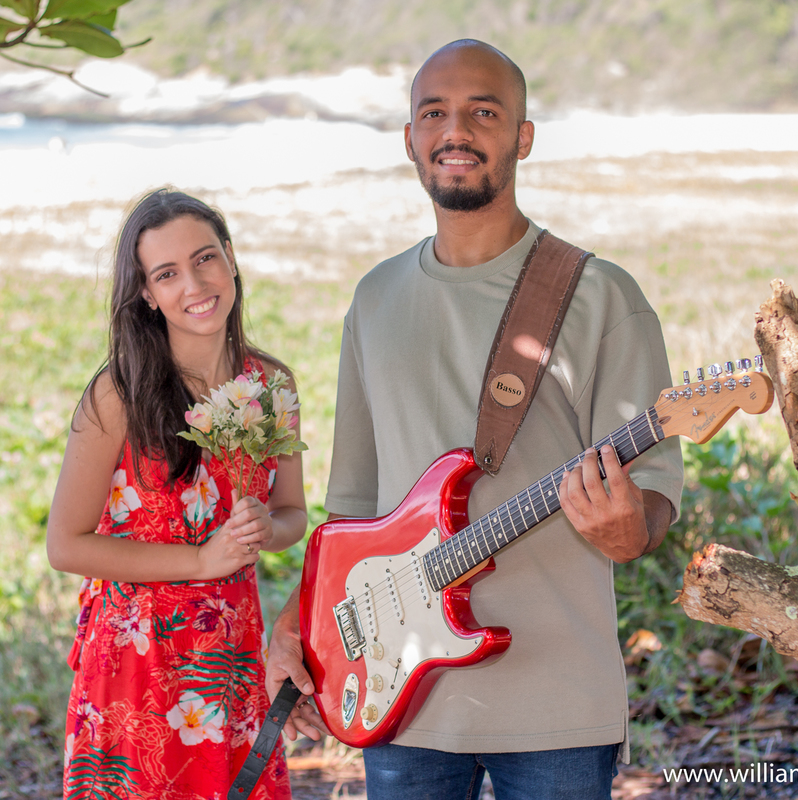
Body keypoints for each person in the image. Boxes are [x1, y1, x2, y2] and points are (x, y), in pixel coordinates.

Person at [265, 40, 684, 800]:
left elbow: (652, 497)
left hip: (558, 700)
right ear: (411, 140)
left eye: (483, 112)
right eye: (435, 113)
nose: (456, 130)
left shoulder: (600, 296)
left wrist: (631, 529)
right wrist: (302, 620)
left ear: (522, 137)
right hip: (400, 693)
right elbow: (353, 506)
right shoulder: (376, 298)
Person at [47, 188, 307, 799]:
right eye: (167, 273)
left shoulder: (269, 383)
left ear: (231, 258)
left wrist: (269, 531)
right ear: (146, 292)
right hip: (135, 668)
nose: (194, 284)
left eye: (205, 258)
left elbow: (293, 512)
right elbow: (65, 545)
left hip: (229, 662)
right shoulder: (119, 394)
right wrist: (198, 561)